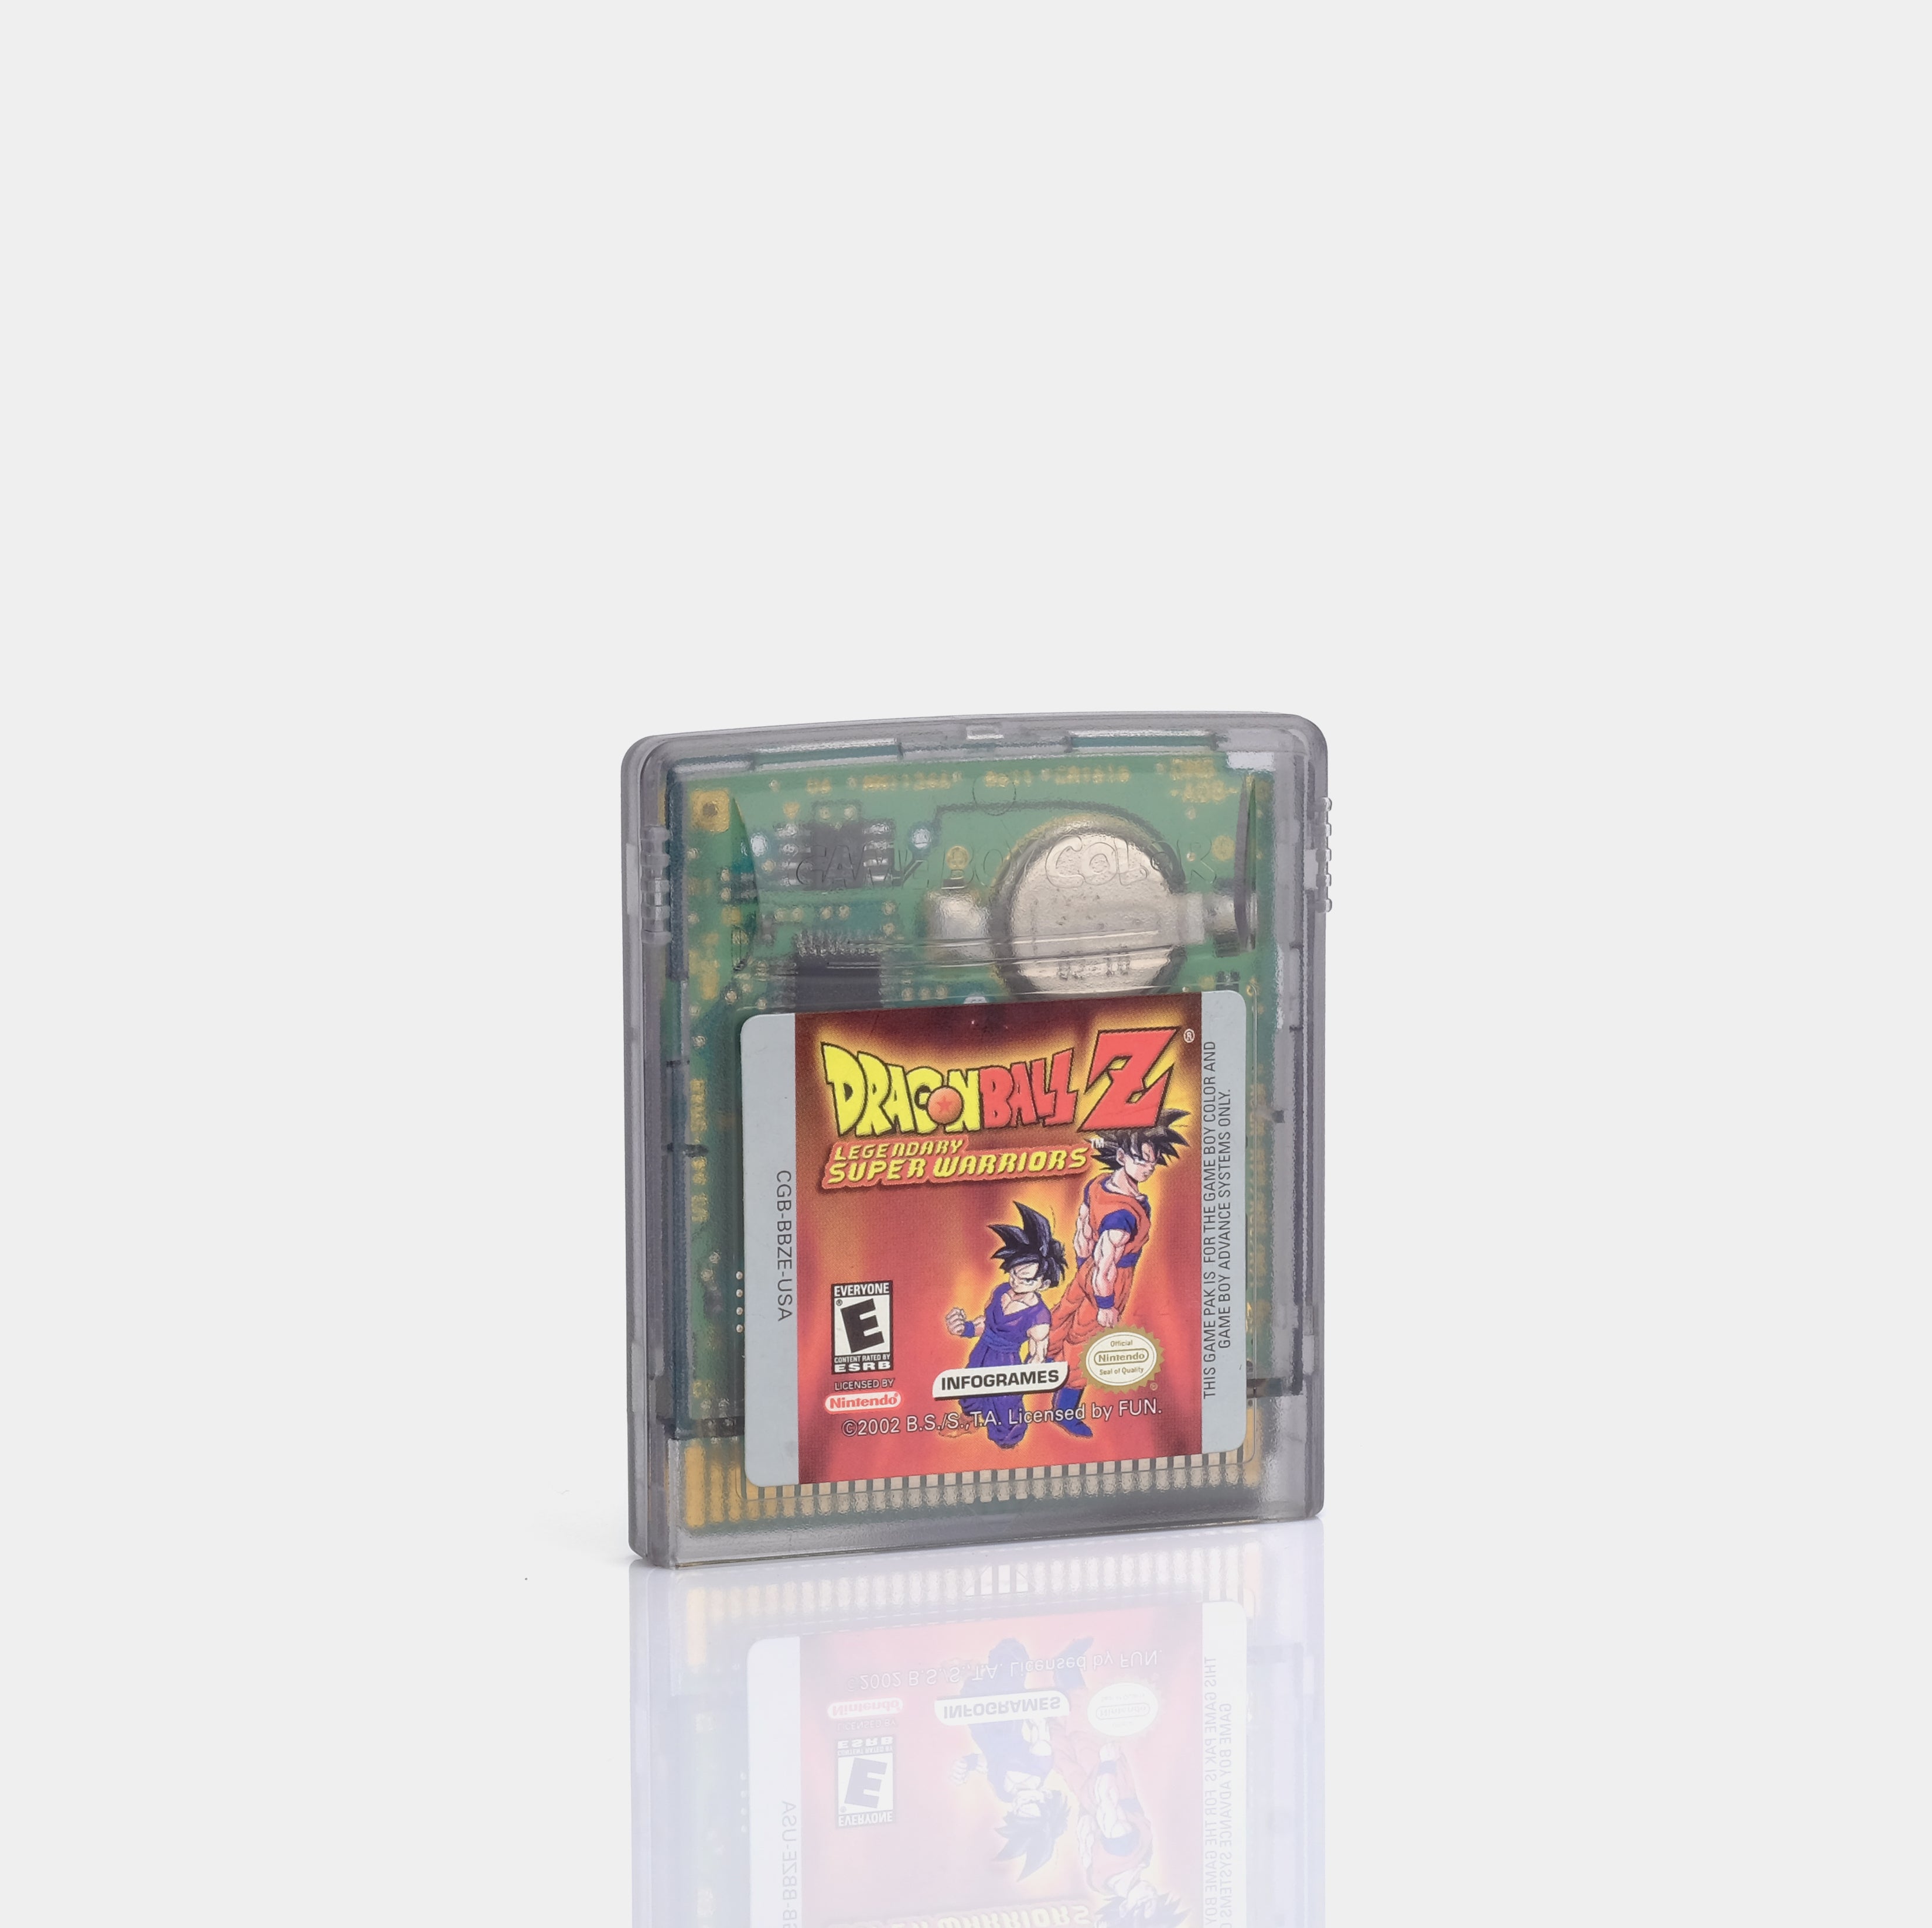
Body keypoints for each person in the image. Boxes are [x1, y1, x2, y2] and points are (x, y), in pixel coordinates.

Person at [1044, 1110, 1187, 1436]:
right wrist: (1106, 1303)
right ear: (1122, 1157)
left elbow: (1082, 1231)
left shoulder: (1098, 1185)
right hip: (1111, 1280)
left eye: (1153, 1162)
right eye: (1141, 1160)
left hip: (1089, 1269)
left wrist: (1085, 1270)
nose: (1148, 1168)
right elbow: (1108, 1262)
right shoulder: (1123, 1215)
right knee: (1085, 1342)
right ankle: (1064, 1410)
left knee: (1063, 1315)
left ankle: (1044, 1364)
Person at [943, 1203, 1067, 1450]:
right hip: (982, 1351)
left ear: (1043, 1284)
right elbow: (985, 1323)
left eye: (1026, 1279)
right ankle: (969, 1421)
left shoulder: (1039, 1316)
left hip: (1007, 1361)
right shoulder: (1000, 1291)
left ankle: (1008, 1440)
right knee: (969, 1390)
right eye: (1013, 1274)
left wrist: (1025, 1377)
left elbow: (1037, 1355)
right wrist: (965, 1329)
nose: (1016, 1282)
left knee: (1005, 1403)